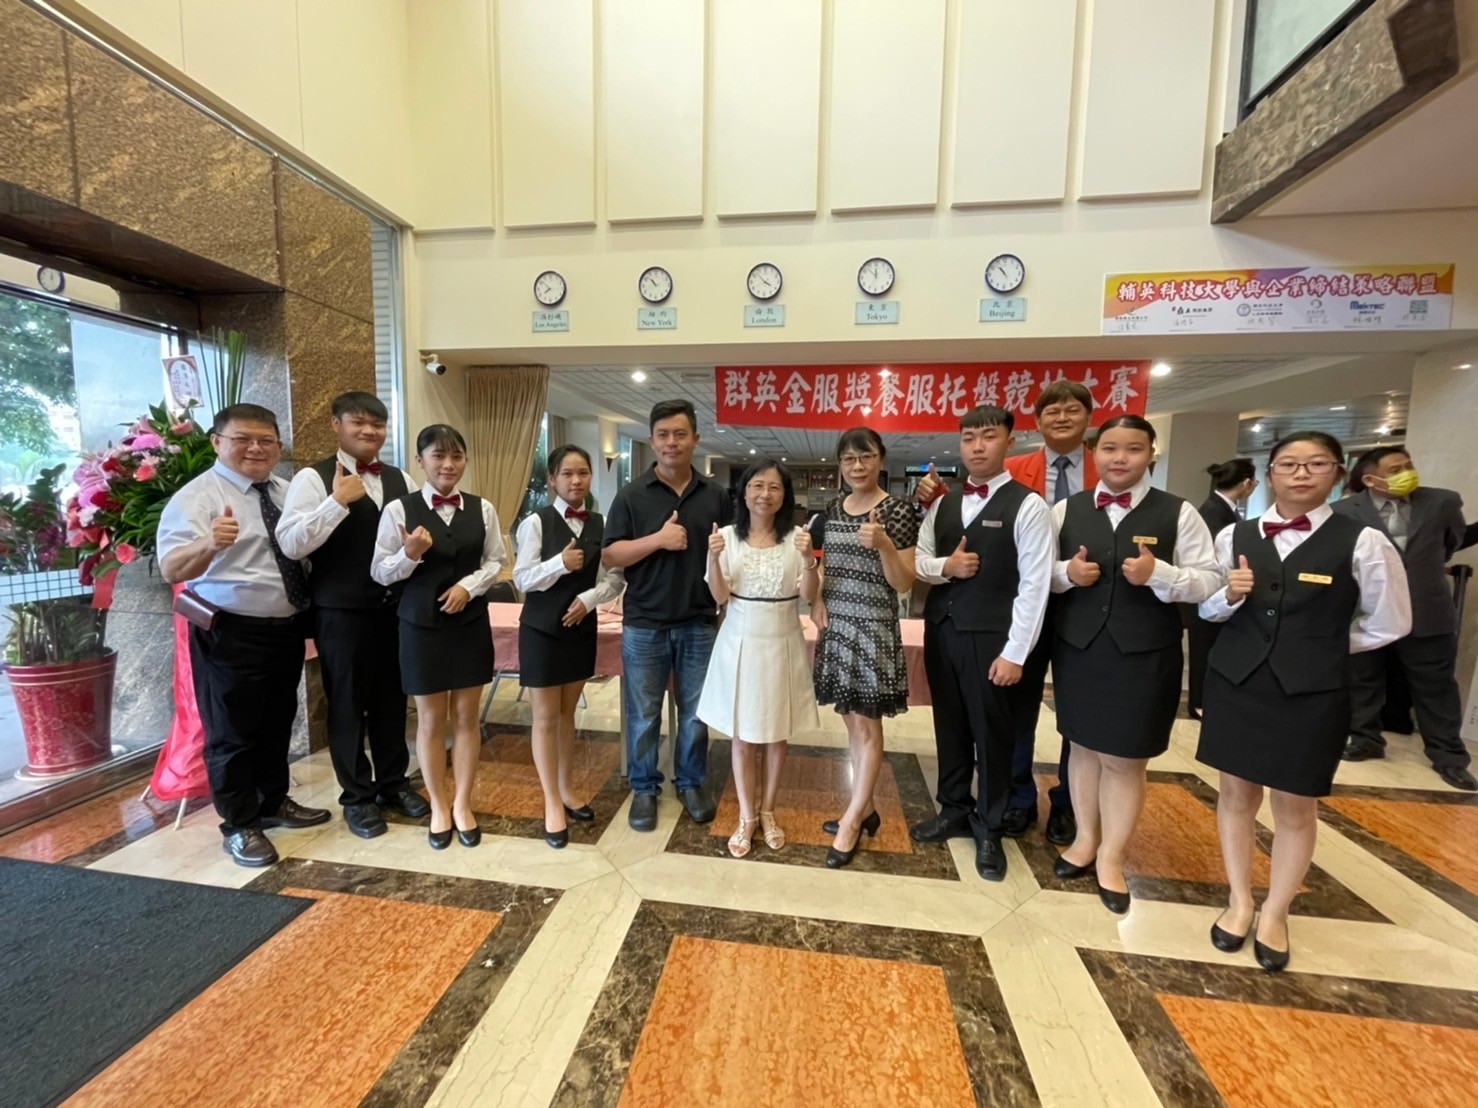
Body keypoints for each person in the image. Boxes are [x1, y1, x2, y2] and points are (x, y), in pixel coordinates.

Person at [1197, 431, 1411, 971]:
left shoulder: (1363, 540)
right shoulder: (1235, 534)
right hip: (1237, 682)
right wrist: (1230, 594)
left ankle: (1276, 911)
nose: (1300, 473)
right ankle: (1239, 901)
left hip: (1312, 689)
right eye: (1288, 464)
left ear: (1338, 474)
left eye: (1316, 464)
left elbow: (1391, 621)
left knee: (1295, 805)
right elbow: (1207, 610)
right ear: (1268, 475)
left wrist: (1325, 646)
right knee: (1236, 795)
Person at [1049, 415, 1222, 914]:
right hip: (1080, 649)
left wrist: (1159, 573)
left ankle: (1112, 855)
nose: (1119, 458)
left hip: (1145, 654)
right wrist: (1068, 573)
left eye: (1132, 448)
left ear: (1151, 454)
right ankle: (1085, 839)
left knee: (1125, 759)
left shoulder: (1178, 512)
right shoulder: (1066, 509)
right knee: (1082, 748)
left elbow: (1210, 580)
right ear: (1094, 453)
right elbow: (1039, 573)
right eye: (1109, 448)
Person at [158, 403, 329, 867]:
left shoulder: (287, 491)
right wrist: (209, 541)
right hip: (230, 631)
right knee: (231, 733)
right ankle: (239, 825)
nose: (255, 448)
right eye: (242, 439)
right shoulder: (197, 498)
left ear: (278, 446)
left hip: (286, 628)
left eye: (265, 440)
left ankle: (272, 802)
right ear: (217, 442)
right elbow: (171, 568)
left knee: (277, 721)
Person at [276, 391, 430, 840]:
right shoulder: (313, 477)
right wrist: (335, 502)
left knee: (391, 702)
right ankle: (357, 797)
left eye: (377, 424)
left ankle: (393, 784)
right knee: (346, 705)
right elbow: (290, 543)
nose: (368, 431)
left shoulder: (401, 478)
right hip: (341, 613)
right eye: (358, 422)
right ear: (336, 425)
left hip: (394, 611)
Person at [912, 406, 1054, 881]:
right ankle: (953, 808)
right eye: (969, 437)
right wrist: (945, 568)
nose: (977, 446)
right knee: (950, 726)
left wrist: (1016, 652)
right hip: (943, 631)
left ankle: (990, 827)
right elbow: (920, 561)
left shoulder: (1028, 506)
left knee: (993, 735)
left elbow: (1035, 585)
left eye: (988, 437)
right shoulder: (943, 504)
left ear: (1009, 443)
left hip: (994, 638)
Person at [602, 400, 733, 832]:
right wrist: (657, 539)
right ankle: (644, 788)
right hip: (644, 623)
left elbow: (733, 554)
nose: (671, 442)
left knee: (696, 713)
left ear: (696, 438)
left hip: (699, 622)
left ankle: (691, 782)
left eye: (680, 434)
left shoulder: (715, 496)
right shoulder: (631, 495)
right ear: (652, 440)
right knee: (643, 714)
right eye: (663, 435)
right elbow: (610, 554)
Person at [372, 425, 505, 849]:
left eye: (456, 456)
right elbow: (380, 572)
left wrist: (469, 586)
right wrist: (409, 555)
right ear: (420, 460)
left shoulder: (483, 509)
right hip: (419, 627)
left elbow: (496, 561)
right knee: (430, 720)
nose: (448, 465)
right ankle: (438, 807)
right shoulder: (399, 508)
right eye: (438, 456)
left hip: (469, 625)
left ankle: (462, 804)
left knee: (466, 717)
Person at [698, 459, 821, 858]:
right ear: (744, 492)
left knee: (776, 733)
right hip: (739, 641)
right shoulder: (726, 537)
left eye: (774, 487)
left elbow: (809, 595)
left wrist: (809, 559)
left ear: (785, 496)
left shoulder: (797, 538)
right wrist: (712, 559)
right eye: (757, 485)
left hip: (782, 639)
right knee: (743, 734)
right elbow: (719, 597)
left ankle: (768, 810)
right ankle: (746, 816)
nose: (764, 494)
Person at [1335, 446, 1475, 789]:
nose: (1407, 473)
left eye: (1408, 465)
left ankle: (1449, 756)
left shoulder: (1442, 502)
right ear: (1371, 479)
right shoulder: (1344, 511)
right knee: (1363, 680)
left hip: (1426, 609)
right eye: (1395, 470)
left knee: (1436, 685)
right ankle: (1365, 739)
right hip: (1367, 610)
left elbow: (1451, 542)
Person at [812, 427, 919, 869]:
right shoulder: (833, 507)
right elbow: (827, 567)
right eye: (848, 459)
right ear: (840, 465)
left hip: (873, 629)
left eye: (866, 457)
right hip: (838, 626)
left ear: (880, 460)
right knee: (852, 725)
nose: (857, 466)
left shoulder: (897, 510)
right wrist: (817, 600)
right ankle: (866, 806)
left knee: (868, 728)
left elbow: (904, 582)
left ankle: (853, 819)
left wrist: (886, 546)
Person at [512, 444, 625, 849]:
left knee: (566, 715)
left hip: (580, 629)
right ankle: (550, 802)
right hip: (541, 631)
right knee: (545, 718)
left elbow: (614, 578)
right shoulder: (535, 523)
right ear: (552, 480)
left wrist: (589, 600)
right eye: (567, 474)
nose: (576, 481)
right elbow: (521, 578)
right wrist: (559, 564)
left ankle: (565, 787)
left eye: (583, 473)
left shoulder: (601, 522)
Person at [1186, 458, 1257, 720]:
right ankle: (1198, 702)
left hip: (1222, 593)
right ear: (1247, 483)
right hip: (1209, 592)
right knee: (1203, 650)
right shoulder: (1214, 511)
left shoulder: (1223, 508)